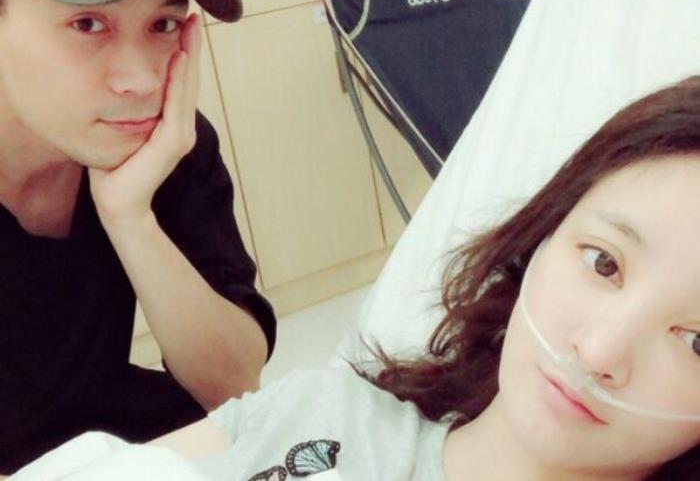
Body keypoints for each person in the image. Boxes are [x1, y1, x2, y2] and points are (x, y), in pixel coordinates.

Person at [18, 75, 700, 480]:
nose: (600, 352)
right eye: (604, 262)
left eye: (697, 341)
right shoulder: (326, 410)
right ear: (542, 236)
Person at [0, 0, 276, 475]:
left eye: (162, 25)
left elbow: (234, 387)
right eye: (87, 24)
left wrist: (130, 217)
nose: (142, 80)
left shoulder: (163, 144)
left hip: (103, 437)